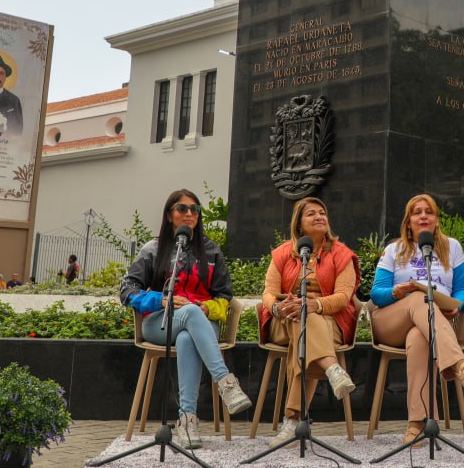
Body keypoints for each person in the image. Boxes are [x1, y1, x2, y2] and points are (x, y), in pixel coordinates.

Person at [120, 189, 251, 449]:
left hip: (202, 322)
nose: (189, 214)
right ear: (169, 215)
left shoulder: (211, 251)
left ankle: (187, 419)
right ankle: (226, 382)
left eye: (195, 209)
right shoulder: (153, 249)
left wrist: (207, 308)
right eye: (182, 208)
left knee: (187, 336)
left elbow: (224, 296)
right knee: (188, 315)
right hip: (159, 322)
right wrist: (160, 300)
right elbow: (127, 289)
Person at [370, 193, 464, 447]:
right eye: (416, 212)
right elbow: (376, 294)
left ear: (437, 220)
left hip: (431, 324)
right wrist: (397, 292)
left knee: (419, 337)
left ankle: (416, 424)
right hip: (392, 321)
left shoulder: (452, 247)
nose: (423, 216)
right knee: (421, 298)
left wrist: (457, 305)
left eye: (428, 212)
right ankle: (458, 363)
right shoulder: (394, 250)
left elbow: (463, 289)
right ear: (408, 222)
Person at [258, 197, 360, 445]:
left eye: (322, 213)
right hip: (283, 321)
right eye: (311, 213)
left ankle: (292, 421)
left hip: (329, 322)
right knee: (299, 316)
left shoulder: (341, 254)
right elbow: (268, 292)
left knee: (304, 325)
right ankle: (332, 369)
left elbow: (343, 296)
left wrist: (314, 305)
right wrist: (278, 307)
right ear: (299, 223)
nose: (319, 217)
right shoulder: (283, 253)